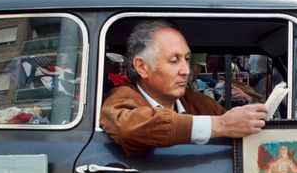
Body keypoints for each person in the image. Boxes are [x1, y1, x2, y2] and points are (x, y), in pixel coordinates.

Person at [100, 20, 267, 156]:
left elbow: (235, 129)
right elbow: (127, 128)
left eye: (187, 59)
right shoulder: (121, 98)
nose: (186, 71)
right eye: (174, 61)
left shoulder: (199, 103)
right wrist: (221, 124)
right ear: (142, 67)